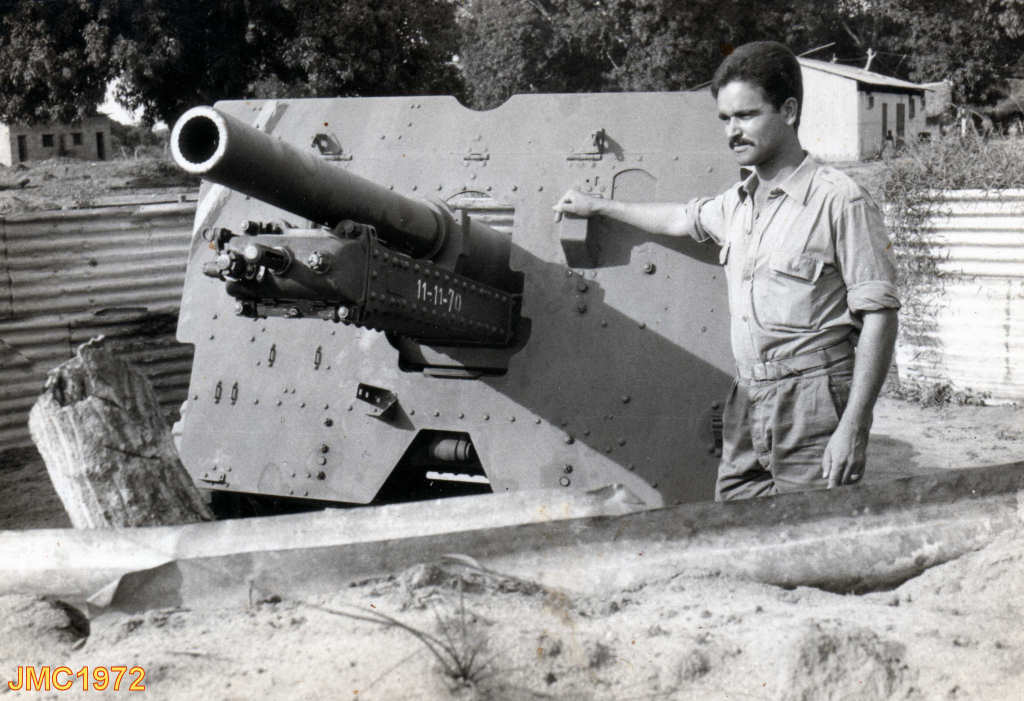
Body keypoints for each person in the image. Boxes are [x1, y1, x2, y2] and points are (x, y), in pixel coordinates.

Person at [553, 41, 900, 501]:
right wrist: (599, 206)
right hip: (746, 396)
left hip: (813, 397)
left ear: (789, 111)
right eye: (725, 119)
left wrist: (855, 424)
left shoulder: (839, 201)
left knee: (810, 531)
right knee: (735, 523)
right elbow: (680, 218)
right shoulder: (738, 204)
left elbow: (879, 315)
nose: (732, 131)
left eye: (746, 116)